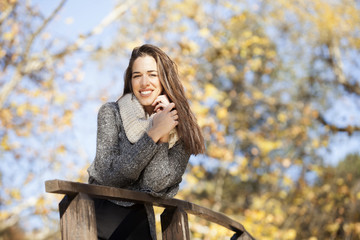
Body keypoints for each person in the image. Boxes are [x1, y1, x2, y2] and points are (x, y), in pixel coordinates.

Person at [87, 44, 205, 240]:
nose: (144, 82)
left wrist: (164, 133)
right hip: (97, 216)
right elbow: (109, 177)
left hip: (139, 224)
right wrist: (153, 133)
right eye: (137, 75)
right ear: (130, 80)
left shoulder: (182, 131)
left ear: (164, 78)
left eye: (152, 74)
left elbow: (154, 185)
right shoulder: (112, 113)